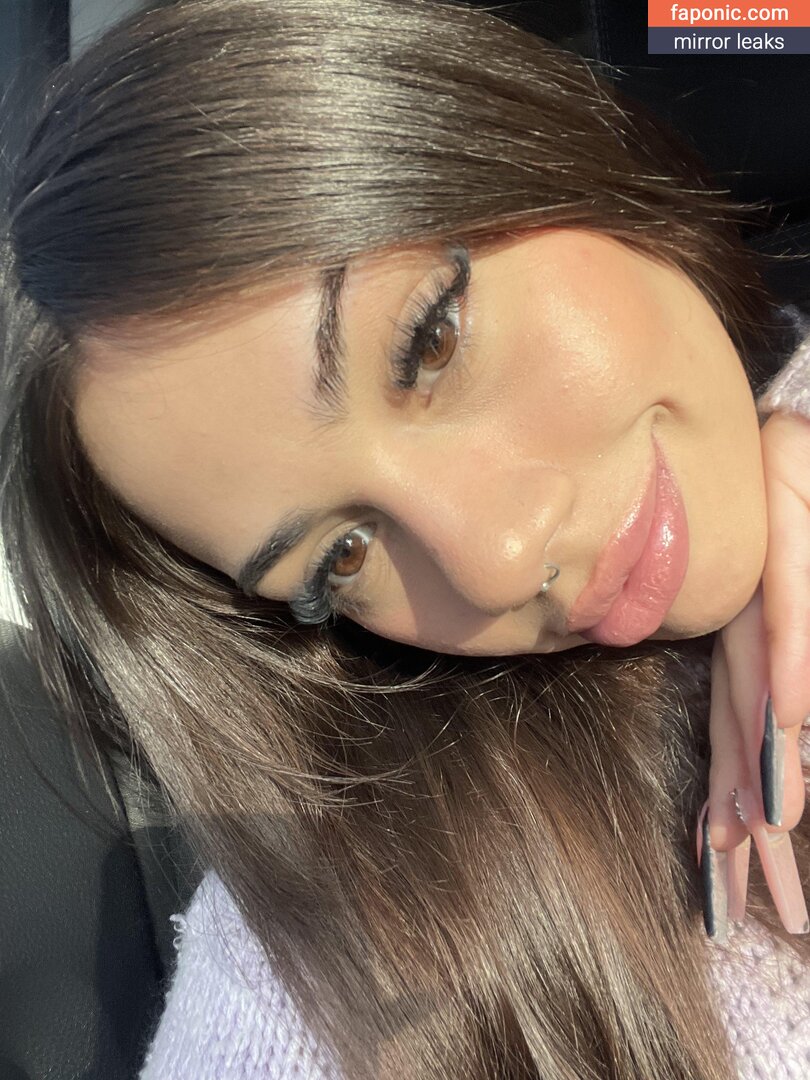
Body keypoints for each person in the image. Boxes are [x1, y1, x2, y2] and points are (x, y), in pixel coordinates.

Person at [0, 0, 808, 1077]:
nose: (498, 559)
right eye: (340, 556)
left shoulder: (710, 29)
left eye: (431, 341)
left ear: (521, 141)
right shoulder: (344, 959)